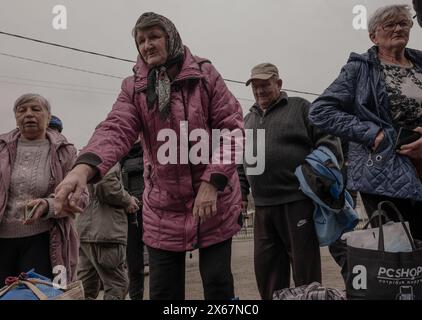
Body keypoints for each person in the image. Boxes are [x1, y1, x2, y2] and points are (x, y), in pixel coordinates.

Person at [54, 12, 244, 300]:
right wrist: (81, 170)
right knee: (163, 292)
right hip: (162, 206)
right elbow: (115, 128)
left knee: (218, 287)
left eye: (154, 37)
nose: (147, 45)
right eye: (141, 40)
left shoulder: (204, 75)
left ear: (171, 37)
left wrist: (213, 182)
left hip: (212, 202)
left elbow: (233, 130)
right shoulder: (134, 87)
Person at [309, 4, 422, 239]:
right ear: (373, 35)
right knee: (398, 252)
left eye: (404, 23)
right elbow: (320, 111)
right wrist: (372, 134)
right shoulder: (359, 68)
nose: (399, 28)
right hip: (383, 171)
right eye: (390, 24)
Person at [237, 63, 343, 300]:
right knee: (267, 272)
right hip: (263, 207)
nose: (260, 91)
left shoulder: (300, 108)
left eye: (265, 85)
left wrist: (312, 175)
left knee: (306, 272)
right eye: (255, 86)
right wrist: (241, 194)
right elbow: (241, 163)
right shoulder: (247, 120)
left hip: (297, 202)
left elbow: (329, 143)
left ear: (279, 83)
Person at [0, 93, 88, 286]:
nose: (29, 114)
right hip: (3, 241)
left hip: (45, 241)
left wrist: (49, 205)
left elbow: (81, 198)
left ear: (48, 117)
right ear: (15, 118)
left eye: (36, 109)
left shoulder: (64, 151)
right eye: (22, 110)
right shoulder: (2, 149)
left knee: (44, 293)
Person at [77, 163, 138, 300]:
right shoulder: (109, 156)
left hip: (86, 231)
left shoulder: (87, 156)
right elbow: (105, 183)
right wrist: (128, 200)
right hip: (107, 233)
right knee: (117, 285)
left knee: (86, 287)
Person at [120, 140, 147, 300]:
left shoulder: (152, 151)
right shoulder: (119, 156)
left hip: (152, 212)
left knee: (159, 262)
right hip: (131, 216)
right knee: (134, 265)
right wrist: (126, 200)